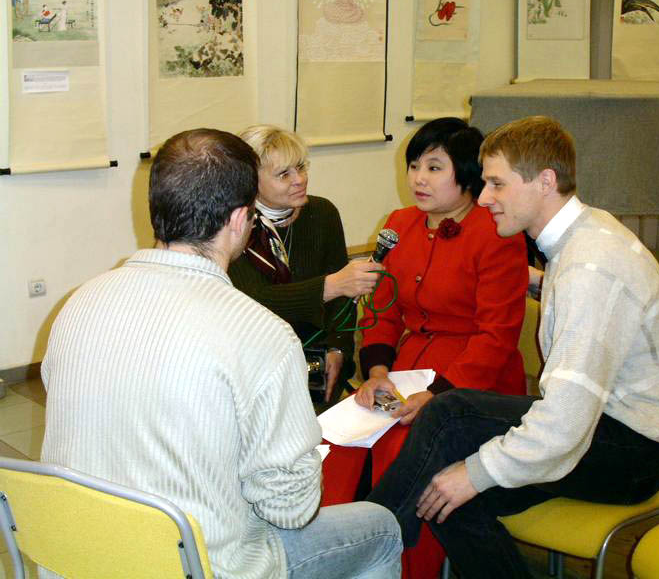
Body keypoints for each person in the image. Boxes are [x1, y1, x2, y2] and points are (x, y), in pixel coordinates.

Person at [39, 128, 402, 579]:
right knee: (381, 528)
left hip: (77, 559)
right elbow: (292, 509)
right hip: (193, 565)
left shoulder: (79, 304)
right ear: (240, 219)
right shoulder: (262, 334)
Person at [367, 116, 659, 579]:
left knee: (450, 431)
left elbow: (565, 423)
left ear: (545, 181)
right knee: (440, 495)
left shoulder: (589, 268)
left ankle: (361, 544)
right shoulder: (582, 238)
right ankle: (367, 541)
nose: (483, 197)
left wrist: (475, 473)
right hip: (603, 425)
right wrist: (535, 280)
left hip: (633, 451)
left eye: (497, 184)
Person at [354, 117, 529, 578]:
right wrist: (376, 372)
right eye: (414, 166)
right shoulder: (399, 224)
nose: (418, 178)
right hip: (405, 369)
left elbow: (497, 337)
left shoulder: (498, 233)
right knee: (345, 440)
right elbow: (382, 310)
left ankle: (403, 566)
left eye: (434, 168)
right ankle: (351, 555)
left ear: (467, 174)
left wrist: (438, 397)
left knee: (403, 446)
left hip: (476, 383)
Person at [228, 125, 382, 404]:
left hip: (318, 357)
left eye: (300, 167)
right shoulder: (234, 224)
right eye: (283, 174)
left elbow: (344, 303)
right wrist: (330, 286)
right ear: (251, 180)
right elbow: (253, 302)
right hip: (255, 364)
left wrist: (338, 349)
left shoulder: (322, 213)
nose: (299, 180)